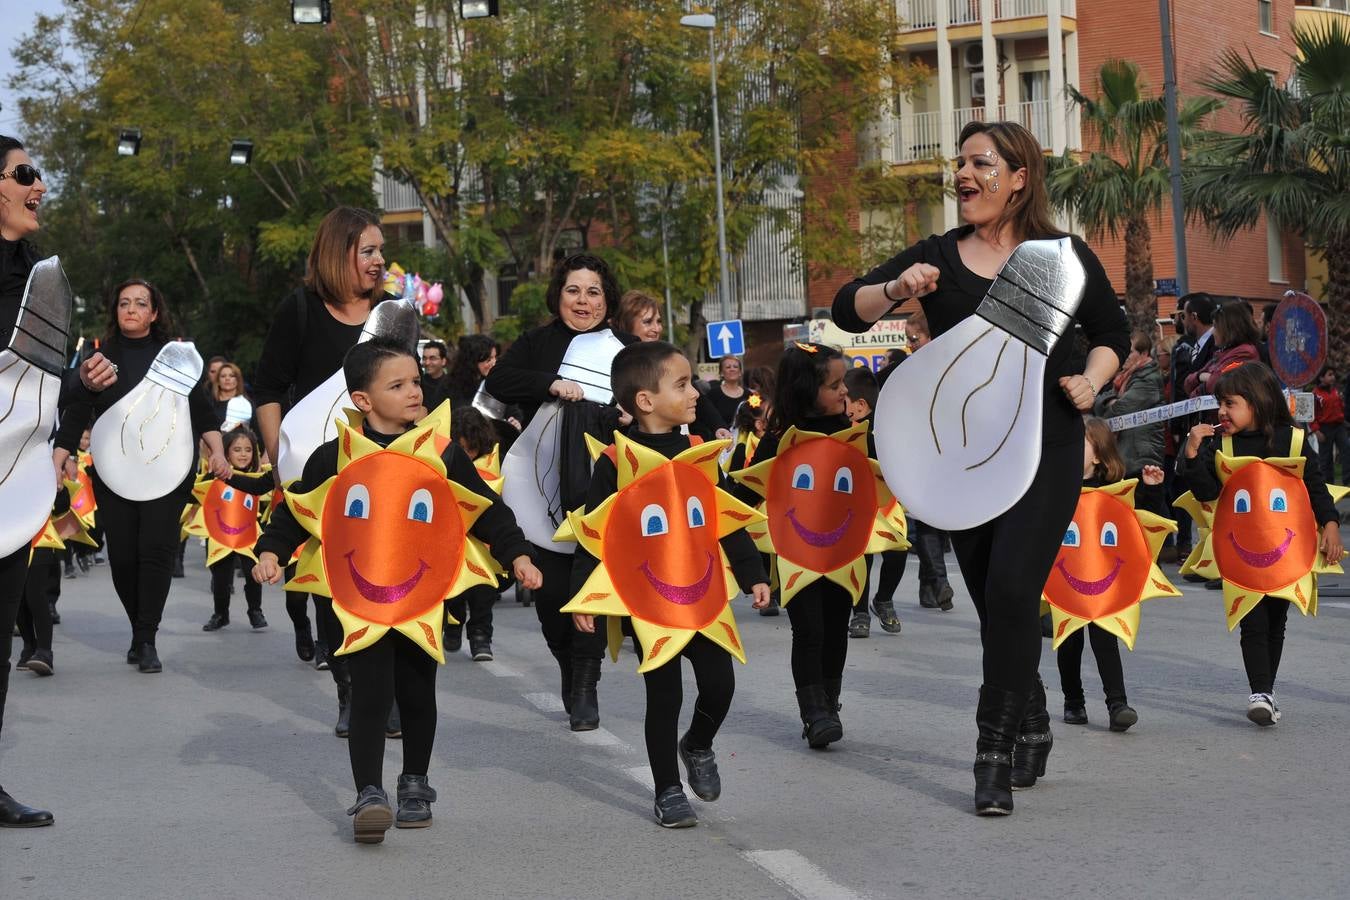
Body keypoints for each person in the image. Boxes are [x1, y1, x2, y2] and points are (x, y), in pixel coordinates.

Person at [830, 120, 1129, 815]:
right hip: (960, 457)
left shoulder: (1061, 256)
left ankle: (989, 756)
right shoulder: (937, 254)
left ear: (1019, 176)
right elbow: (848, 308)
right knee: (994, 601)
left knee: (1015, 590)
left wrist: (1092, 379)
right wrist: (898, 289)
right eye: (959, 164)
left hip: (1046, 446)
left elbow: (1112, 335)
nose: (963, 175)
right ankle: (1030, 714)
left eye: (979, 163)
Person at [254, 338, 540, 842]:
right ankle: (369, 792)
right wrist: (272, 551)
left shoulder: (440, 452)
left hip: (421, 596)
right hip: (359, 599)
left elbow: (485, 507)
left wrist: (515, 551)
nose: (414, 392)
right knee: (369, 693)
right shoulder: (335, 456)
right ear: (363, 401)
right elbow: (297, 510)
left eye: (416, 381)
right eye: (398, 385)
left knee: (415, 691)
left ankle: (415, 783)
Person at [568, 341, 770, 827]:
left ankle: (697, 744)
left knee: (720, 684)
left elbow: (724, 520)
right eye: (681, 385)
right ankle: (667, 791)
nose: (695, 392)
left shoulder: (697, 453)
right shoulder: (616, 464)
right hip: (649, 600)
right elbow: (593, 533)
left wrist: (754, 573)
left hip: (701, 595)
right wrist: (583, 594)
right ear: (645, 400)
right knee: (665, 696)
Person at [251, 206, 390, 731]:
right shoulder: (300, 309)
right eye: (368, 251)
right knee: (336, 578)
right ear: (339, 254)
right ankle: (350, 690)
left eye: (380, 251)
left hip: (385, 470)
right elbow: (266, 389)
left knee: (389, 569)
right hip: (320, 473)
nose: (379, 261)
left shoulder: (391, 314)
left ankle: (389, 692)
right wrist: (281, 461)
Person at [484, 253, 633, 730]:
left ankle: (587, 684)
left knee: (587, 585)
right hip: (540, 485)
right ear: (558, 295)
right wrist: (551, 384)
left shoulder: (624, 349)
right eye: (573, 290)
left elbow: (648, 397)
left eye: (593, 291)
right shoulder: (537, 343)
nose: (583, 301)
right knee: (551, 600)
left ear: (607, 300)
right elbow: (499, 381)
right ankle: (569, 667)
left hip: (603, 487)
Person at [53, 280, 228, 674]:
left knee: (155, 552)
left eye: (140, 303)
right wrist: (62, 452)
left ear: (153, 313)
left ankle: (146, 638)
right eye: (124, 303)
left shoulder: (172, 359)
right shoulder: (102, 359)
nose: (131, 309)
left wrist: (217, 450)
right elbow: (79, 409)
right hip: (113, 474)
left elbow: (201, 412)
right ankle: (138, 627)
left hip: (168, 471)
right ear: (116, 311)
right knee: (124, 559)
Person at [1181, 363, 1342, 726]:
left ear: (1258, 401)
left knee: (1276, 620)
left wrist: (1330, 523)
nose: (1221, 412)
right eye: (1220, 403)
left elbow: (1314, 486)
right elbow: (1207, 492)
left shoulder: (1293, 440)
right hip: (1242, 551)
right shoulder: (1221, 444)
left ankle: (1266, 689)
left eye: (1230, 403)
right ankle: (1261, 692)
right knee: (1252, 619)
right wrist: (1191, 453)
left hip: (1287, 551)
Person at [733, 342, 864, 749]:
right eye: (834, 385)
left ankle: (830, 701)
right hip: (797, 552)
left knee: (837, 629)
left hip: (845, 549)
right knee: (809, 630)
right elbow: (750, 488)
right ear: (807, 391)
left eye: (844, 382)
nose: (845, 391)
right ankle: (814, 712)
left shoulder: (855, 433)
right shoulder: (780, 439)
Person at [1057, 419, 1151, 732]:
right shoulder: (1055, 488)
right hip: (1065, 580)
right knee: (1069, 642)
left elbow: (1135, 527)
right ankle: (1073, 701)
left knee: (1105, 639)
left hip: (1102, 582)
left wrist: (1154, 487)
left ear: (1098, 454)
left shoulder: (1113, 493)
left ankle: (1117, 703)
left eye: (1078, 442)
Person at [891, 311, 955, 611]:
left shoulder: (950, 363)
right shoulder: (911, 368)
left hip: (949, 449)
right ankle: (939, 582)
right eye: (908, 340)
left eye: (914, 339)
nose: (910, 345)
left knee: (938, 517)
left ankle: (929, 587)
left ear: (931, 337)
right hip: (921, 451)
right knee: (927, 517)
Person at [614, 289, 729, 440]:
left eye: (659, 321)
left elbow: (698, 398)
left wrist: (717, 425)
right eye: (648, 322)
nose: (656, 329)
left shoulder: (668, 357)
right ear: (627, 324)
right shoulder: (616, 363)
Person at [842, 365, 903, 638]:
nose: (841, 405)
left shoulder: (888, 424)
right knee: (861, 557)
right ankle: (861, 612)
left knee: (897, 552)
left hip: (889, 503)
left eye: (845, 400)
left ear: (861, 403)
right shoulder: (842, 426)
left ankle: (884, 599)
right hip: (855, 506)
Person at [199, 428, 274, 633]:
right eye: (237, 449)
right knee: (221, 579)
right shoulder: (214, 476)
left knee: (253, 574)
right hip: (219, 537)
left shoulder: (260, 479)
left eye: (248, 450)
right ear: (225, 452)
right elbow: (197, 492)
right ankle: (220, 614)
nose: (243, 454)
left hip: (249, 535)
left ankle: (255, 611)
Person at [445, 405, 504, 660]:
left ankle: (481, 636)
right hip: (451, 537)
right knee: (455, 586)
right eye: (463, 449)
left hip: (483, 537)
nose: (467, 456)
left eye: (472, 449)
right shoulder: (443, 458)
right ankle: (454, 625)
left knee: (483, 590)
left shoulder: (493, 460)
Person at [1093, 331, 1165, 518]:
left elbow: (1119, 409)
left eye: (1130, 351)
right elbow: (1099, 401)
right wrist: (1111, 400)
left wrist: (1112, 402)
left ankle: (1166, 545)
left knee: (1146, 511)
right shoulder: (1124, 378)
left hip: (1141, 457)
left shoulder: (1149, 379)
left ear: (1143, 354)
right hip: (1128, 455)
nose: (1124, 356)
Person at [1185, 302, 1261, 397]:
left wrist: (1205, 378)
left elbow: (1217, 384)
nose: (1212, 332)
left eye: (1216, 327)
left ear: (1229, 328)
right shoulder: (1221, 353)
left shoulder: (1244, 353)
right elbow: (1187, 383)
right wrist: (1200, 376)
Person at [1311, 365, 1348, 484]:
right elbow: (1312, 414)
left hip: (1339, 426)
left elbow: (1341, 407)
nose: (1333, 377)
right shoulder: (1316, 394)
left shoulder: (1336, 391)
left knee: (1346, 450)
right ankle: (1328, 484)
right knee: (1325, 458)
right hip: (1325, 428)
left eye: (1333, 375)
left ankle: (1347, 482)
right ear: (1321, 378)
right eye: (1329, 375)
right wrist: (1316, 430)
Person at [708, 355, 747, 427]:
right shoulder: (713, 394)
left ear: (740, 372)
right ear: (721, 373)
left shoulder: (749, 395)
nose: (732, 369)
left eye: (735, 367)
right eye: (728, 367)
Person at [420, 340, 453, 411]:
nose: (427, 362)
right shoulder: (419, 384)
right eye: (424, 358)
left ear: (443, 361)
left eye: (432, 358)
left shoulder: (452, 385)